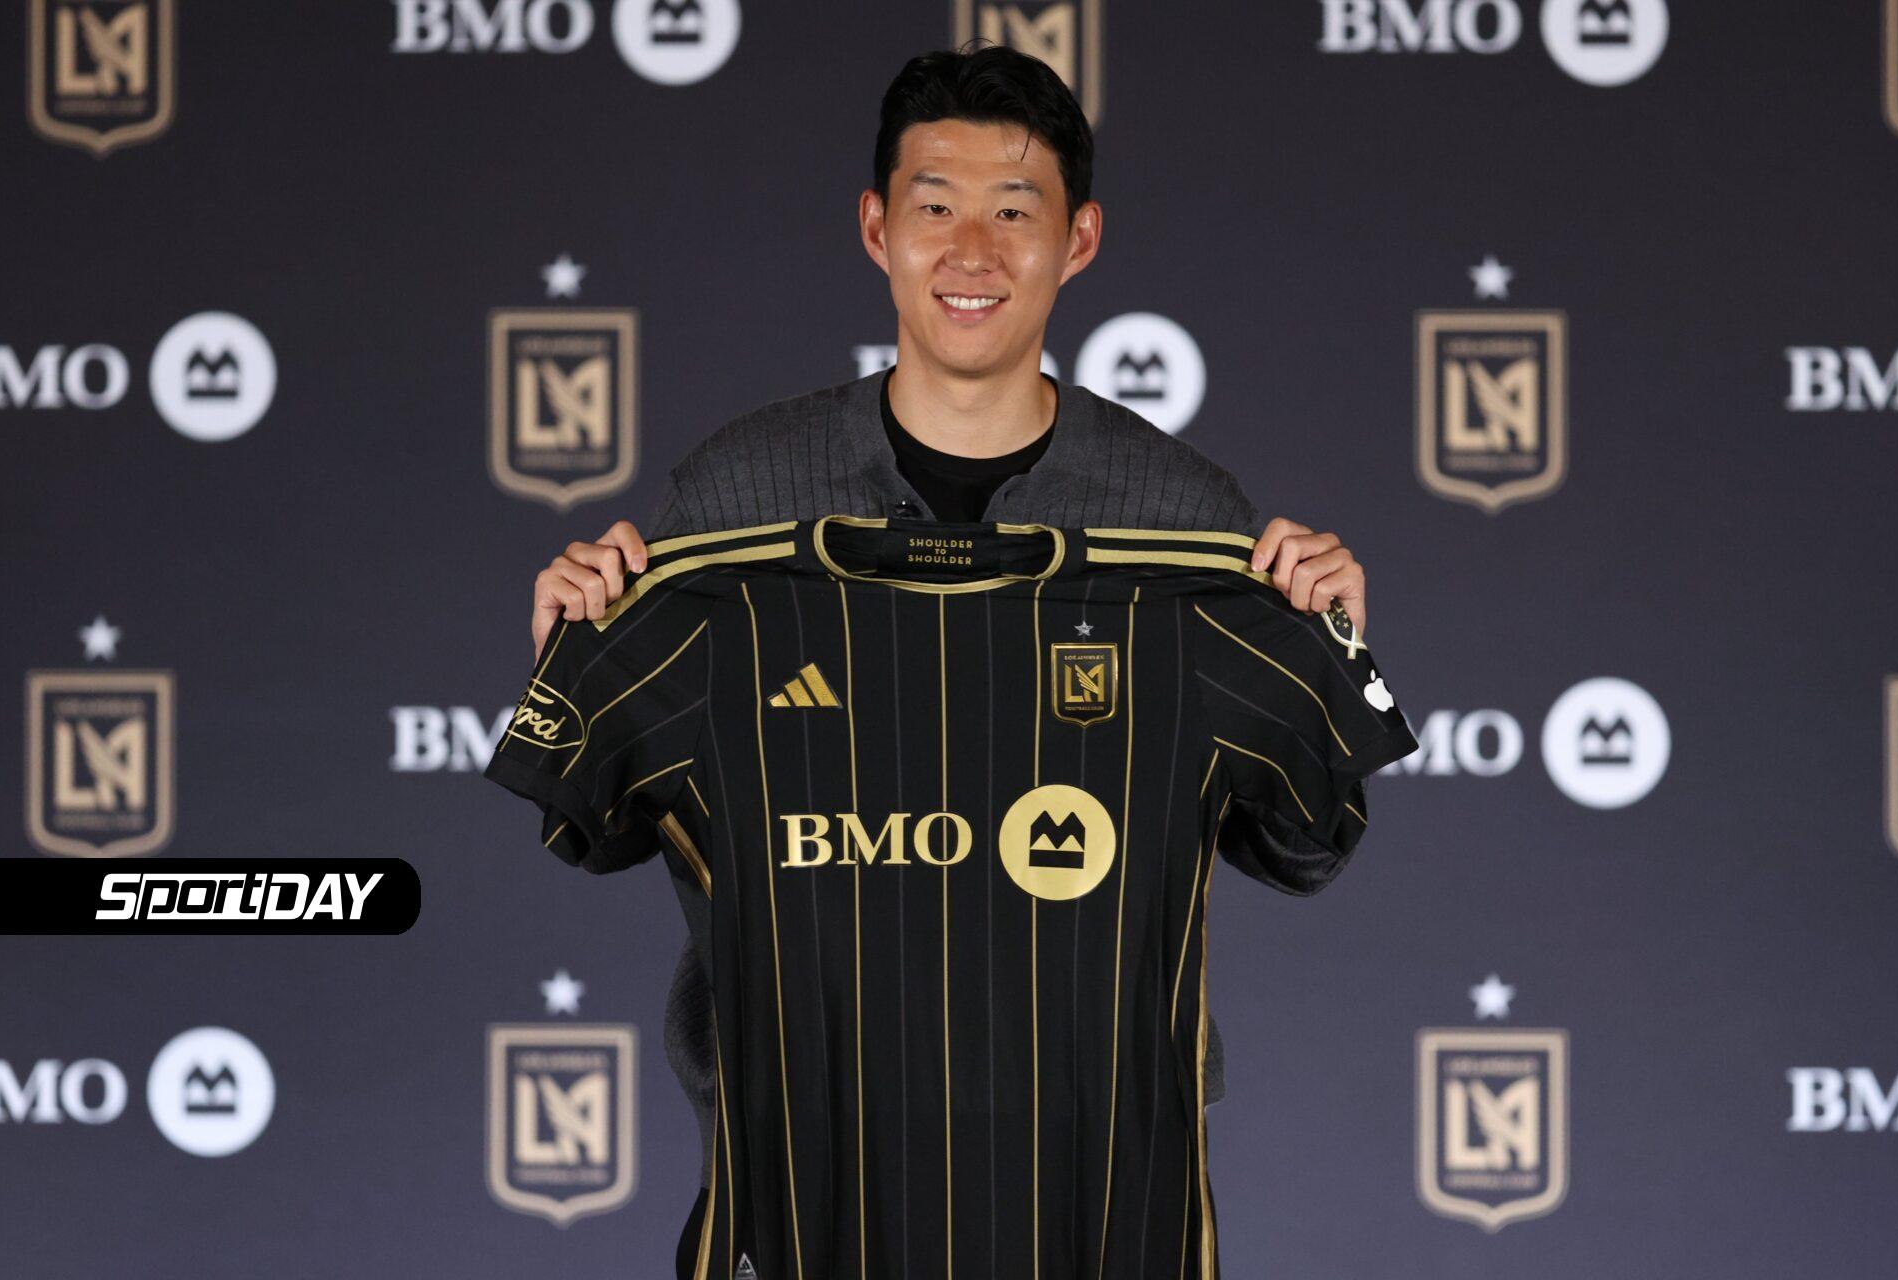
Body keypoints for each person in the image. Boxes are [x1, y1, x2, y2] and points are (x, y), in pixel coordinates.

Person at [521, 42, 1372, 1275]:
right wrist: (577, 655)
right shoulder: (736, 496)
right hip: (804, 1187)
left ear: (1079, 240)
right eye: (936, 208)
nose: (972, 251)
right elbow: (603, 825)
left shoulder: (1182, 516)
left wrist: (1328, 645)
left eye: (1014, 212)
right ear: (878, 228)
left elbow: (1299, 846)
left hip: (1094, 1196)